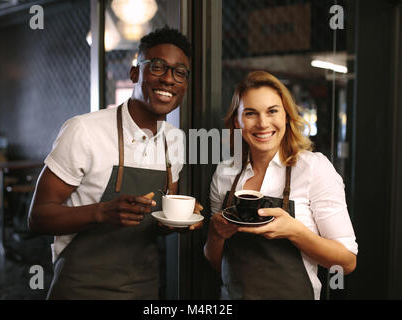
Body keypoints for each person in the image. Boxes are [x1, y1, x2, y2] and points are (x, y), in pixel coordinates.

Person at [28, 26, 202, 299]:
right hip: (80, 289)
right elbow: (38, 218)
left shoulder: (175, 141)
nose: (169, 79)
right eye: (158, 67)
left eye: (180, 72)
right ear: (135, 73)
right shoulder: (84, 130)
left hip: (143, 289)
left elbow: (156, 221)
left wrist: (175, 222)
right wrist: (102, 213)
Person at [204, 70, 357, 300]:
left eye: (272, 111)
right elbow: (217, 262)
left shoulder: (314, 168)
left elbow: (346, 262)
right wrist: (215, 236)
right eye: (250, 113)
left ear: (286, 115)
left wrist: (295, 232)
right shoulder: (225, 173)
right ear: (237, 121)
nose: (263, 123)